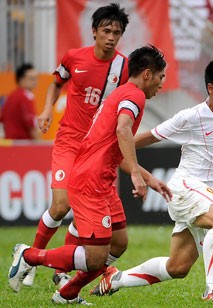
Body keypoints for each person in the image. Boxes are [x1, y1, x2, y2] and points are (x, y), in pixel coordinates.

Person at [89, 57, 213, 301]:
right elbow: (147, 137)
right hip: (185, 187)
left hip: (207, 192)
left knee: (177, 267)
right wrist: (106, 147)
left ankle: (116, 279)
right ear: (211, 89)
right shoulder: (190, 117)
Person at [8, 45, 172, 305]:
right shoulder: (135, 96)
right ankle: (29, 256)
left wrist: (148, 177)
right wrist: (137, 177)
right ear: (148, 74)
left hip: (101, 179)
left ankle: (67, 293)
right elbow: (123, 130)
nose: (162, 85)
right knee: (96, 257)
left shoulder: (121, 93)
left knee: (118, 243)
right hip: (91, 181)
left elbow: (116, 146)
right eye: (162, 77)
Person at [24, 3, 130, 288]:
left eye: (116, 32)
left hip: (97, 149)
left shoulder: (122, 67)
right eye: (106, 30)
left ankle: (61, 272)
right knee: (61, 206)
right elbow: (56, 82)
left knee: (87, 215)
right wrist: (47, 109)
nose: (111, 37)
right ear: (94, 31)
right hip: (70, 141)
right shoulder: (73, 57)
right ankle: (29, 259)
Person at [1, 63, 41, 140]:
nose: (35, 81)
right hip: (23, 145)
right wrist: (40, 145)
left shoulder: (10, 97)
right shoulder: (25, 97)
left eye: (36, 78)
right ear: (21, 79)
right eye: (31, 78)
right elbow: (32, 127)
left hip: (10, 144)